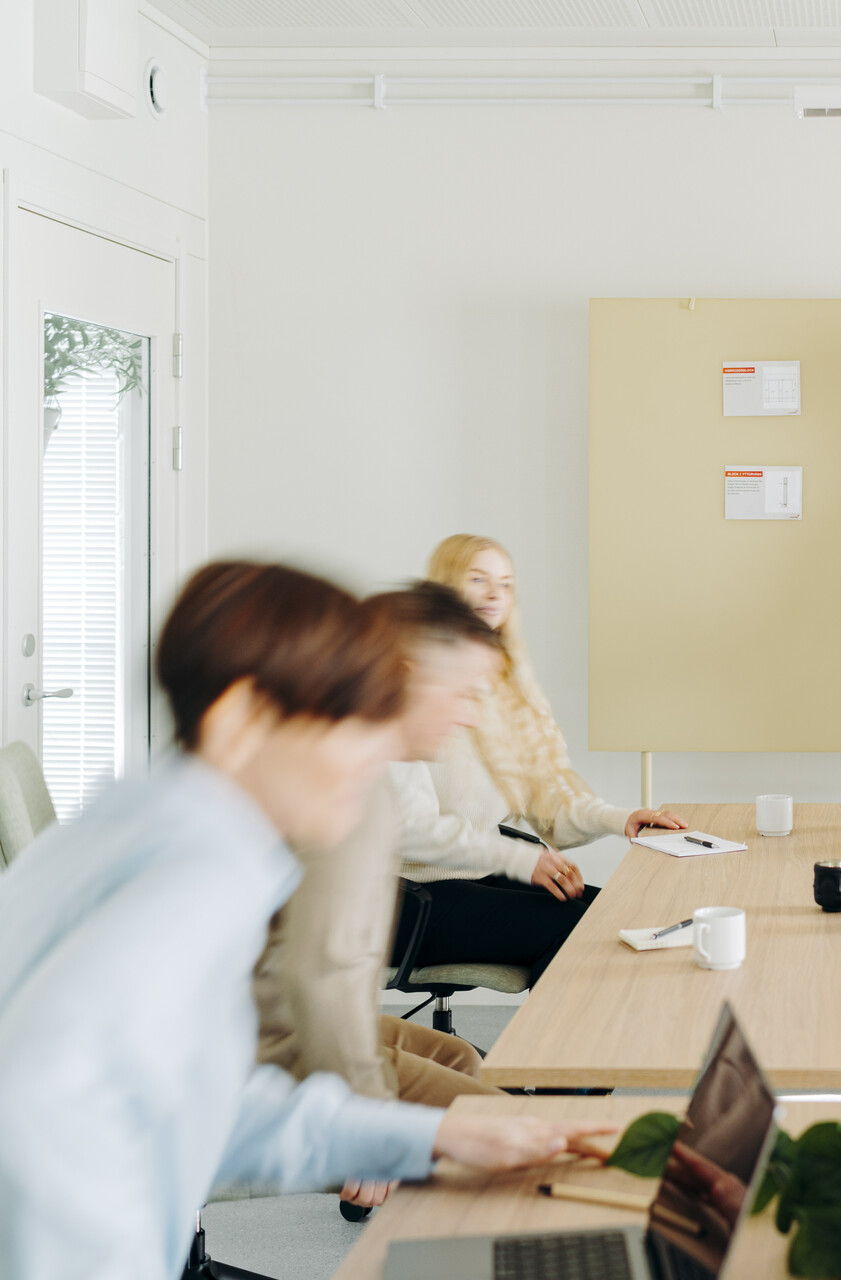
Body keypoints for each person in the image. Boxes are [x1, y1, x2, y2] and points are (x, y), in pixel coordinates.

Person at [0, 561, 613, 1280]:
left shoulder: (169, 831)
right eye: (350, 720)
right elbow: (38, 1134)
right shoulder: (188, 883)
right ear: (241, 720)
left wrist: (426, 1137)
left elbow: (211, 1107)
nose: (371, 759)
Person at [252, 581, 511, 1219]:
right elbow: (324, 978)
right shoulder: (352, 789)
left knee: (454, 1053)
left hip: (251, 1012)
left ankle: (424, 1215)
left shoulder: (317, 740)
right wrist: (366, 1123)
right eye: (462, 693)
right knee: (505, 1131)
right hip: (251, 1051)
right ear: (402, 674)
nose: (470, 715)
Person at [392, 534, 685, 982]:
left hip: (479, 873)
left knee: (618, 915)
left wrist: (620, 818)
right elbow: (412, 831)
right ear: (444, 588)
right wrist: (521, 860)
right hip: (405, 897)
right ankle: (556, 1049)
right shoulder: (407, 690)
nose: (495, 594)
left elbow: (546, 801)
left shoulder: (502, 687)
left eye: (506, 584)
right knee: (581, 932)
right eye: (478, 580)